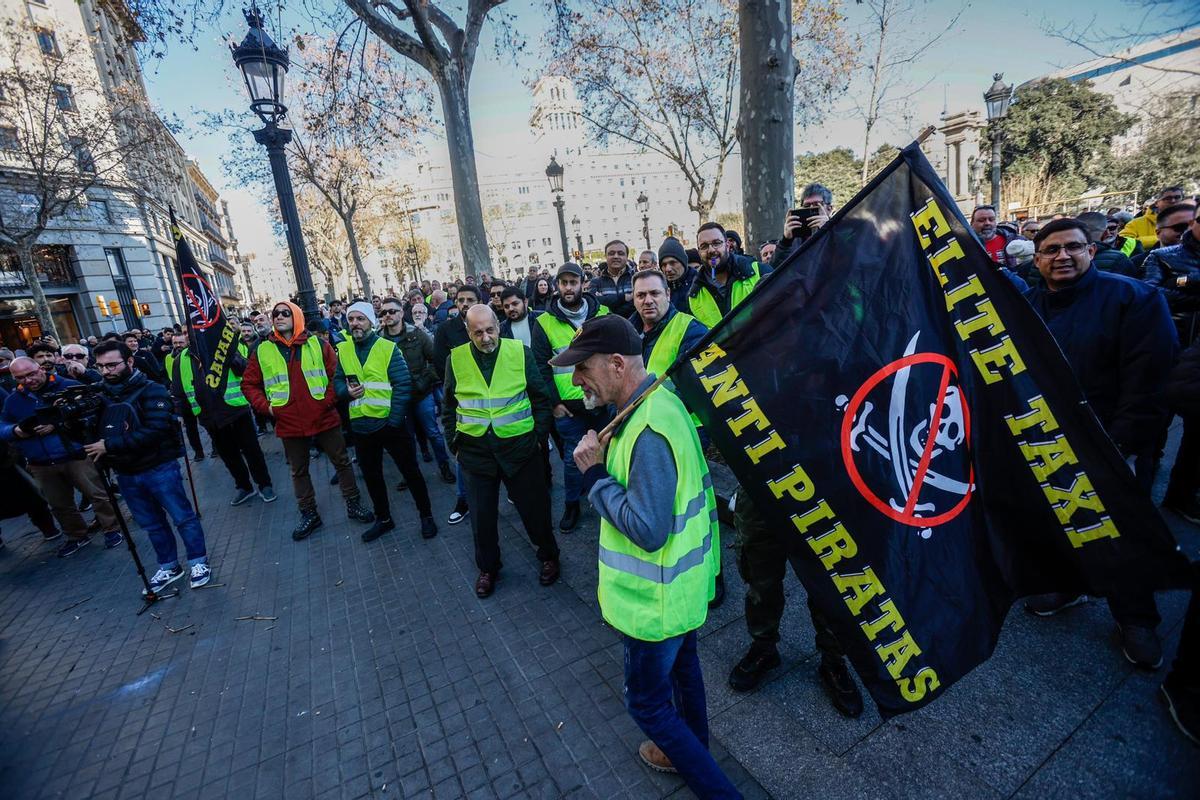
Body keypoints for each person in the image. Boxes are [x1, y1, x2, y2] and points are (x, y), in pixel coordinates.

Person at [557, 315, 736, 798]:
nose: (575, 381)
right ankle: (688, 748)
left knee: (648, 706)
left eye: (582, 368)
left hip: (653, 603)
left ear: (617, 364)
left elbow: (647, 529)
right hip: (679, 592)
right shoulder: (655, 404)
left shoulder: (650, 429)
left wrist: (594, 475)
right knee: (686, 672)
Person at [1022, 219, 1178, 670]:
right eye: (1051, 250)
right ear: (1037, 260)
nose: (1062, 256)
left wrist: (1120, 445)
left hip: (1117, 443)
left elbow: (1150, 380)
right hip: (1052, 441)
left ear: (1093, 249)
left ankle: (1136, 618)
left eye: (1073, 247)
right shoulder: (1027, 305)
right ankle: (1069, 584)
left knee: (1122, 530)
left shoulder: (1133, 298)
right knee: (1061, 517)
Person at [442, 305, 559, 598]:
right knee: (482, 518)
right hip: (475, 453)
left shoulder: (520, 352)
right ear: (467, 332)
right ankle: (488, 568)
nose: (485, 337)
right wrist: (453, 443)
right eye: (477, 332)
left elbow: (540, 399)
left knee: (535, 510)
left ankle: (548, 555)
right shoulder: (455, 359)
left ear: (498, 325)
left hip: (520, 448)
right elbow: (448, 406)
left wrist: (538, 437)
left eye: (490, 329)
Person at [84, 341, 212, 593]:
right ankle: (169, 566)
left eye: (112, 364)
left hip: (159, 467)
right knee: (152, 524)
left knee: (183, 517)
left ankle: (198, 562)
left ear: (129, 361)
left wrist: (109, 446)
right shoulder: (99, 394)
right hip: (126, 473)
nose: (106, 371)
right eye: (100, 366)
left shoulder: (152, 389)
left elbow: (156, 430)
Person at [241, 300, 374, 541]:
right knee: (298, 471)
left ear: (297, 317)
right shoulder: (262, 349)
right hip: (288, 422)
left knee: (342, 462)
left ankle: (353, 503)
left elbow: (337, 375)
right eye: (275, 314)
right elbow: (249, 384)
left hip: (324, 417)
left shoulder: (317, 344)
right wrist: (268, 408)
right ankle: (309, 513)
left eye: (285, 313)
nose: (278, 317)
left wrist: (327, 402)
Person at [334, 302, 438, 542]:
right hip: (361, 427)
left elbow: (403, 384)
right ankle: (384, 519)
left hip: (390, 426)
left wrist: (393, 420)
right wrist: (346, 392)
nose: (355, 324)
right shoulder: (345, 349)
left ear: (371, 322)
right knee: (372, 477)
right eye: (351, 320)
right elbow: (337, 382)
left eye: (360, 319)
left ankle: (426, 516)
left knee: (410, 471)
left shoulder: (387, 348)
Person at [0, 357, 122, 556]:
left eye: (31, 374)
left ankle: (112, 528)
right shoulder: (14, 400)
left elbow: (93, 412)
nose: (28, 380)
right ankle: (76, 535)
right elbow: (2, 426)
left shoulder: (68, 386)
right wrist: (16, 431)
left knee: (97, 494)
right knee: (59, 504)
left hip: (74, 454)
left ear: (40, 369)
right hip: (40, 461)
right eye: (20, 378)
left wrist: (57, 424)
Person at [531, 263, 612, 533]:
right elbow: (541, 367)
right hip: (570, 407)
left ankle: (611, 500)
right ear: (557, 286)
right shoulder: (543, 322)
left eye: (573, 282)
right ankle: (572, 504)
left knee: (610, 452)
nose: (568, 287)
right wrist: (555, 403)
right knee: (571, 459)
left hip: (603, 401)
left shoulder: (602, 313)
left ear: (582, 284)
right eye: (563, 283)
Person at [169, 331, 275, 506]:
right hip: (210, 417)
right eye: (190, 333)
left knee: (252, 450)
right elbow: (179, 392)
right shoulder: (181, 360)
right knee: (228, 455)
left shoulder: (224, 350)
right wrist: (181, 416)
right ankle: (244, 486)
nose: (194, 336)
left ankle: (264, 484)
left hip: (236, 410)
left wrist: (230, 356)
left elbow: (245, 369)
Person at [1142, 206, 1200, 519]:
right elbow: (1152, 294)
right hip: (1170, 351)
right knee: (1155, 430)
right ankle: (1142, 497)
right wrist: (1191, 283)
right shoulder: (1163, 256)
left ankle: (1182, 494)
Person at [378, 296, 454, 484]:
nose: (387, 315)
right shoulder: (379, 339)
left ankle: (444, 466)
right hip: (397, 398)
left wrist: (423, 380)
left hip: (422, 394)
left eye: (392, 311)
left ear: (401, 313)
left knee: (434, 433)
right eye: (384, 312)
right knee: (406, 439)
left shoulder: (417, 334)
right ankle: (410, 474)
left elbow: (435, 360)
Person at [434, 284, 482, 526]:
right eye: (460, 299)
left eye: (469, 299)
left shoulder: (488, 325)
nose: (464, 303)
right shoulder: (446, 330)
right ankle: (463, 500)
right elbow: (441, 363)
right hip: (463, 400)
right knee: (464, 452)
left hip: (492, 398)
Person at [686, 222, 771, 329]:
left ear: (727, 245)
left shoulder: (759, 272)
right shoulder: (693, 297)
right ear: (699, 252)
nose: (711, 250)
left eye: (716, 243)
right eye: (704, 246)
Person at [163, 334, 207, 462]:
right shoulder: (169, 358)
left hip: (198, 396)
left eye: (181, 342)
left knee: (206, 422)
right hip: (182, 398)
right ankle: (198, 451)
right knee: (190, 428)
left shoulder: (193, 356)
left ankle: (216, 447)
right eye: (175, 343)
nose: (178, 345)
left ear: (187, 342)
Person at [770, 183, 834, 268]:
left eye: (817, 204)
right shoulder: (795, 238)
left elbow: (849, 260)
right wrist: (785, 241)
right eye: (807, 205)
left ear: (829, 209)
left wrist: (829, 231)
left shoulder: (840, 230)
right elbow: (773, 269)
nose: (811, 208)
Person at [1121, 186, 1186, 249]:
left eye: (1177, 197)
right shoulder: (1135, 224)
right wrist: (1160, 239)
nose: (1173, 201)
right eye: (1168, 198)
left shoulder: (1192, 221)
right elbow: (1122, 242)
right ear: (1157, 203)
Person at [1077, 211, 1136, 277]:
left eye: (1112, 228)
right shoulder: (1120, 259)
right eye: (1108, 229)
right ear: (1106, 233)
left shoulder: (1065, 255)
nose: (1110, 232)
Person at [592, 240, 635, 317]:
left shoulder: (637, 279)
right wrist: (624, 297)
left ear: (627, 256)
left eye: (620, 253)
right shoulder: (595, 282)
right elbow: (593, 303)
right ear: (605, 256)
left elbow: (637, 304)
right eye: (611, 253)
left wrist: (606, 301)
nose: (616, 256)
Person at [659, 238, 697, 311]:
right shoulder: (659, 288)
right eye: (664, 265)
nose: (668, 269)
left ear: (683, 263)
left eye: (672, 263)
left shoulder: (700, 283)